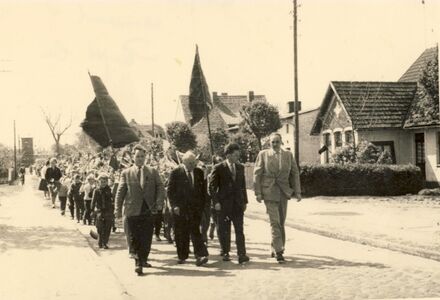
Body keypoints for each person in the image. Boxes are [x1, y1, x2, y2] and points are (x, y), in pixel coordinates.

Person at [115, 144, 165, 276]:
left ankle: (143, 259)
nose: (140, 159)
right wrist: (118, 210)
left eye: (142, 156)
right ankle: (138, 262)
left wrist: (159, 202)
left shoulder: (152, 171)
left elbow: (160, 187)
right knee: (134, 236)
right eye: (137, 156)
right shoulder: (126, 173)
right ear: (133, 157)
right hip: (132, 210)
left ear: (145, 157)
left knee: (146, 237)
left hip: (148, 208)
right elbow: (120, 192)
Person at [253, 132, 301, 264]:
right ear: (269, 143)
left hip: (283, 192)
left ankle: (275, 246)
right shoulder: (263, 155)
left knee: (281, 222)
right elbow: (257, 174)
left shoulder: (288, 155)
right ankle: (280, 251)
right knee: (274, 222)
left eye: (277, 142)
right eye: (272, 142)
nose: (275, 144)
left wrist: (298, 191)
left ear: (281, 143)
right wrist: (258, 192)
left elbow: (295, 173)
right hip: (269, 192)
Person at [209, 143, 249, 264]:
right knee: (224, 230)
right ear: (228, 155)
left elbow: (243, 186)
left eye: (238, 155)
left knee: (239, 230)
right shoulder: (218, 168)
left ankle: (242, 254)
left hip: (237, 204)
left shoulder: (240, 167)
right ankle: (225, 252)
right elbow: (211, 187)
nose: (238, 157)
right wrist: (215, 202)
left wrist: (245, 201)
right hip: (223, 204)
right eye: (235, 155)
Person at [167, 151, 209, 266]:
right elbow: (170, 191)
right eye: (190, 163)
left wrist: (203, 205)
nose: (193, 165)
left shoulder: (199, 172)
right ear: (184, 162)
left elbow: (203, 191)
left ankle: (200, 255)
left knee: (195, 231)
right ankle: (182, 256)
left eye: (194, 162)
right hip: (180, 209)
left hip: (195, 208)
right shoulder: (176, 173)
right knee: (181, 233)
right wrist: (174, 205)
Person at [91, 173, 114, 249]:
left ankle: (105, 243)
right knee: (100, 227)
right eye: (101, 182)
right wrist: (92, 210)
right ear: (99, 182)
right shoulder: (96, 191)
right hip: (99, 211)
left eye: (105, 182)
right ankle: (100, 241)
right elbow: (93, 201)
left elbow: (113, 200)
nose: (103, 183)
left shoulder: (110, 190)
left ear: (107, 182)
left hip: (108, 211)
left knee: (107, 227)